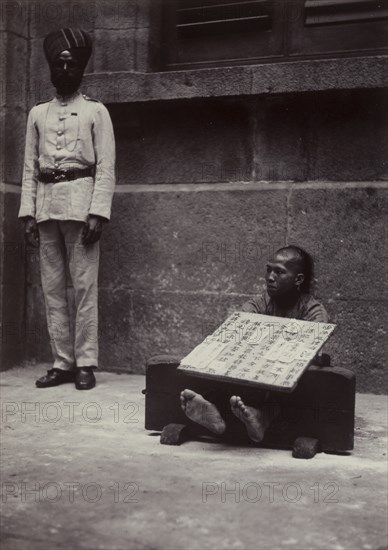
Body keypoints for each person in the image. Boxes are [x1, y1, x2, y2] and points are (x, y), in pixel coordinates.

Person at [18, 28, 116, 390]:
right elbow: (30, 167)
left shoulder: (96, 111)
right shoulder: (37, 114)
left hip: (81, 207)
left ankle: (86, 362)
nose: (64, 69)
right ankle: (62, 362)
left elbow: (106, 166)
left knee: (85, 288)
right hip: (46, 209)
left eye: (71, 64)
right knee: (53, 290)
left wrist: (98, 212)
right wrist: (27, 213)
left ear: (80, 70)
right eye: (58, 64)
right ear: (50, 70)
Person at [180, 245, 329, 443]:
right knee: (225, 355)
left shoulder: (314, 312)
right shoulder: (258, 304)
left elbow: (309, 349)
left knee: (307, 371)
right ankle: (214, 410)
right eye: (269, 269)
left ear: (298, 279)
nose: (270, 277)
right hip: (254, 379)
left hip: (285, 381)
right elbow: (238, 330)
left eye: (279, 272)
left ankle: (263, 416)